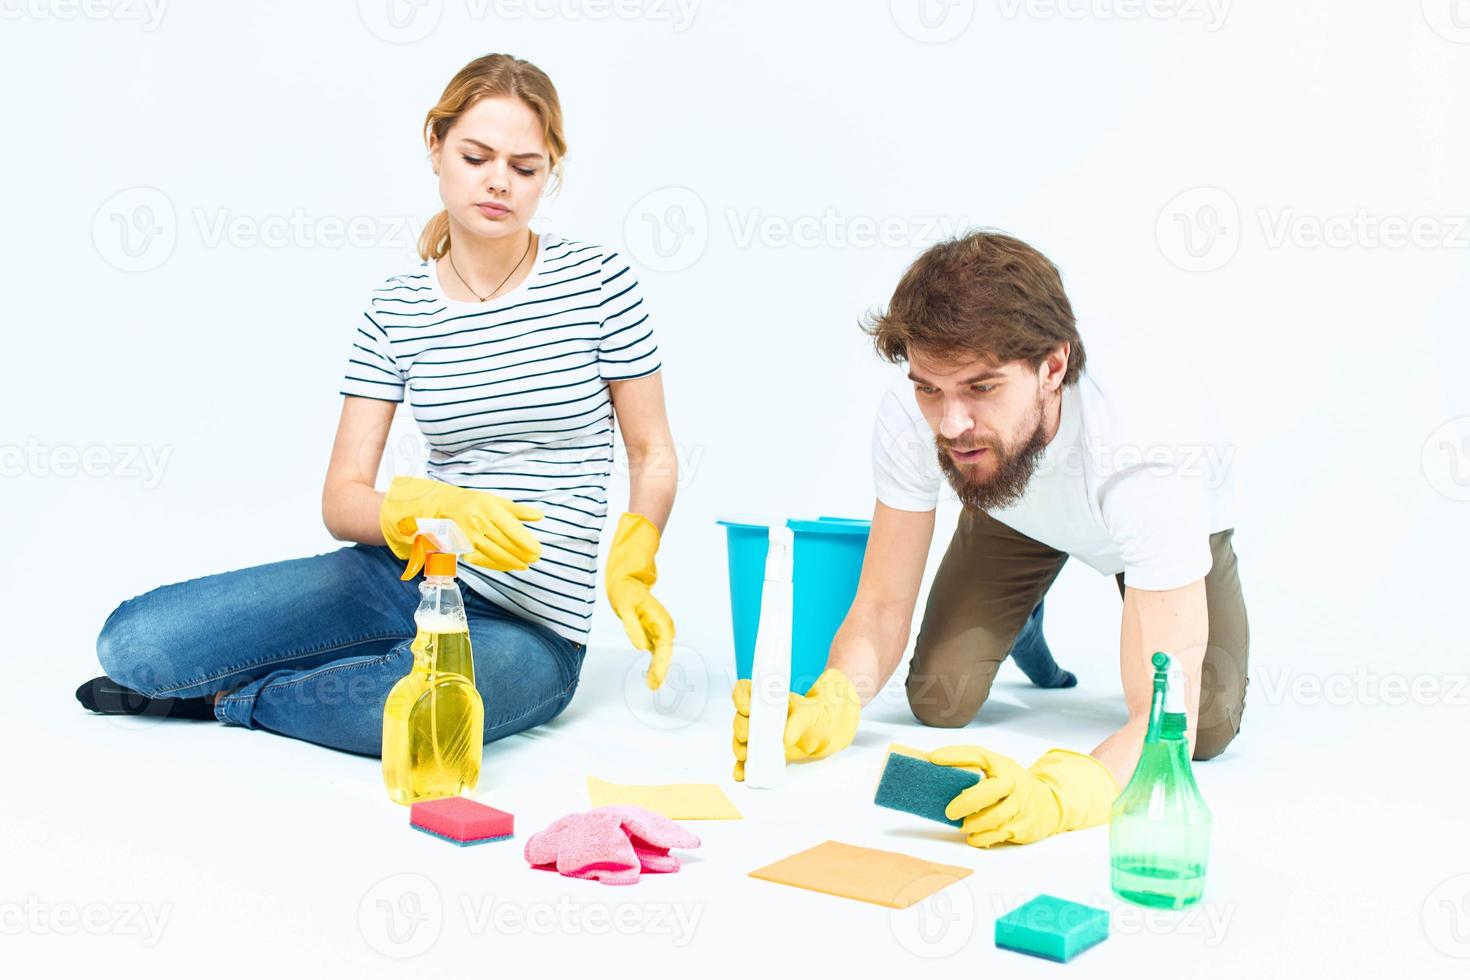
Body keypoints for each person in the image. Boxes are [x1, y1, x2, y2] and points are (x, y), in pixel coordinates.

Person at [75, 53, 678, 756]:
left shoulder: (597, 282)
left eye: (525, 167)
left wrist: (638, 549)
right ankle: (327, 667)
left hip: (531, 629)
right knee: (136, 646)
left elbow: (652, 450)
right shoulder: (398, 307)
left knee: (416, 721)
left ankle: (235, 697)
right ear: (435, 147)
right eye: (477, 155)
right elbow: (342, 501)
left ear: (550, 173)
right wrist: (437, 508)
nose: (498, 182)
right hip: (405, 579)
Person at [731, 231, 1248, 849]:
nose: (950, 424)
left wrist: (1061, 796)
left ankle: (1022, 608)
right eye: (930, 388)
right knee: (937, 698)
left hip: (1157, 531)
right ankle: (1021, 612)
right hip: (1013, 498)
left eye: (981, 388)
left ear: (1053, 367)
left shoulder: (1147, 446)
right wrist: (832, 696)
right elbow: (882, 604)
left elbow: (1165, 720)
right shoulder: (923, 416)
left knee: (1205, 727)